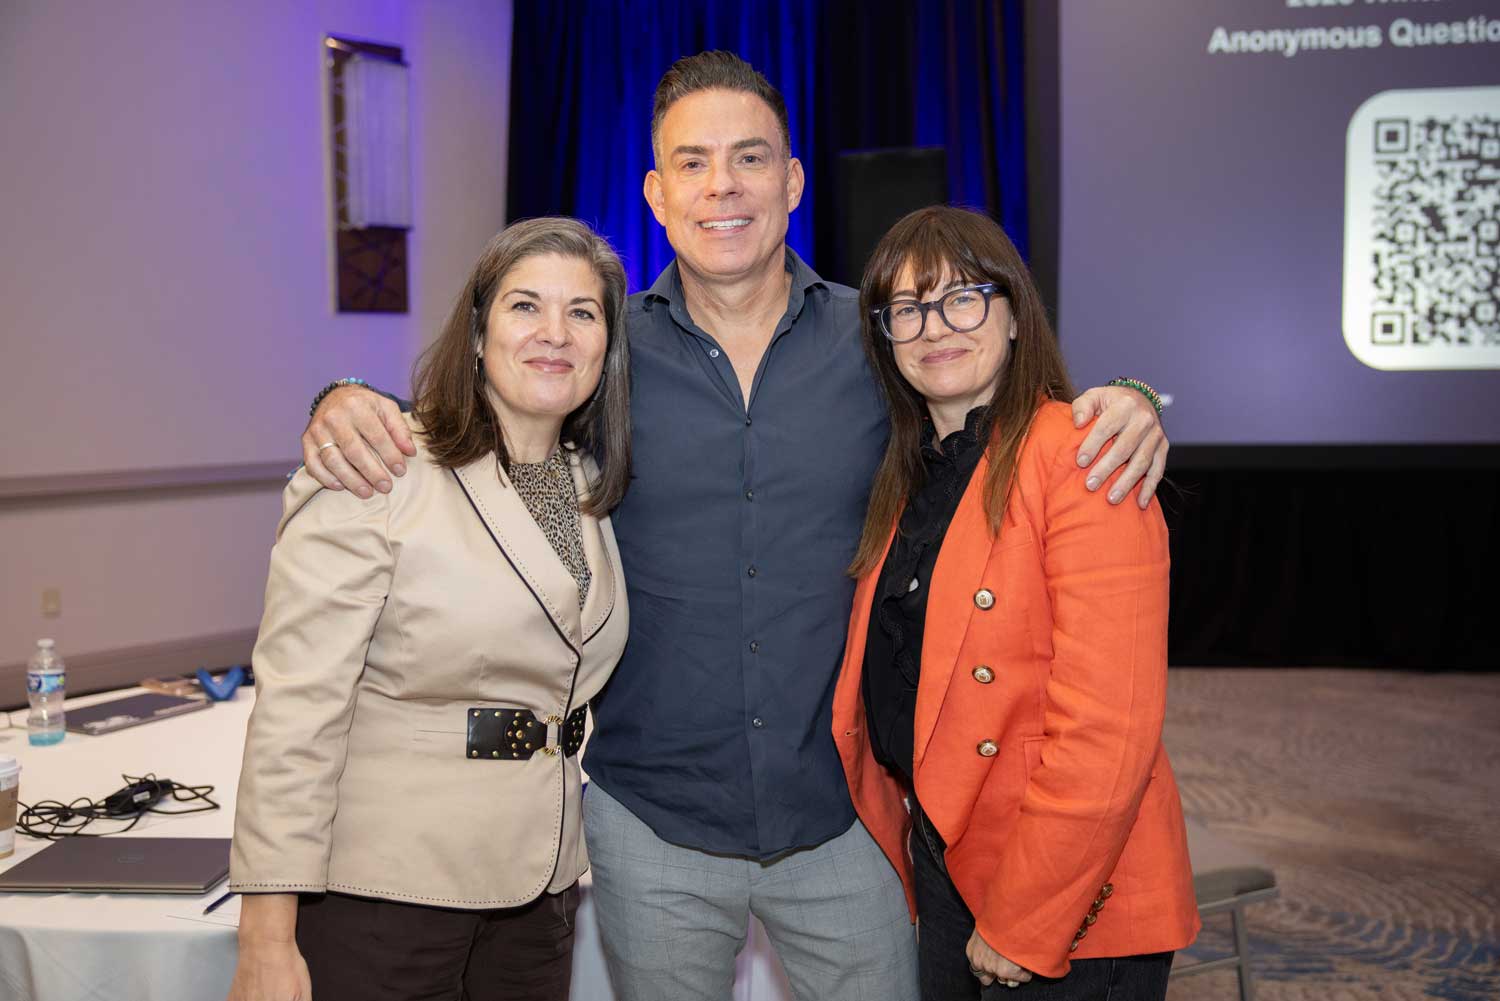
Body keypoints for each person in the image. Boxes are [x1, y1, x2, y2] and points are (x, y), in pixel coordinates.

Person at [299, 51, 1171, 1001]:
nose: (723, 185)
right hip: (653, 820)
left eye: (750, 158)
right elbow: (485, 409)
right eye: (693, 162)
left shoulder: (879, 341)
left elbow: (999, 415)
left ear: (791, 182)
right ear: (657, 192)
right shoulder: (601, 349)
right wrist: (345, 395)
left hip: (844, 820)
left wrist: (1128, 396)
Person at [227, 217, 632, 1001]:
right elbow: (296, 715)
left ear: (606, 346)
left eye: (583, 312)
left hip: (539, 893)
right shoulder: (380, 467)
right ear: (477, 332)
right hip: (387, 898)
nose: (555, 332)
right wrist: (266, 937)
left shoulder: (595, 487)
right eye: (525, 306)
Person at [832, 204, 1198, 1000]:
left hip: (1067, 896)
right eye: (907, 308)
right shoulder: (909, 479)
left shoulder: (1083, 453)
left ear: (1013, 313)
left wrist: (1026, 915)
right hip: (950, 867)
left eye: (963, 296)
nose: (935, 326)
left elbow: (1109, 727)